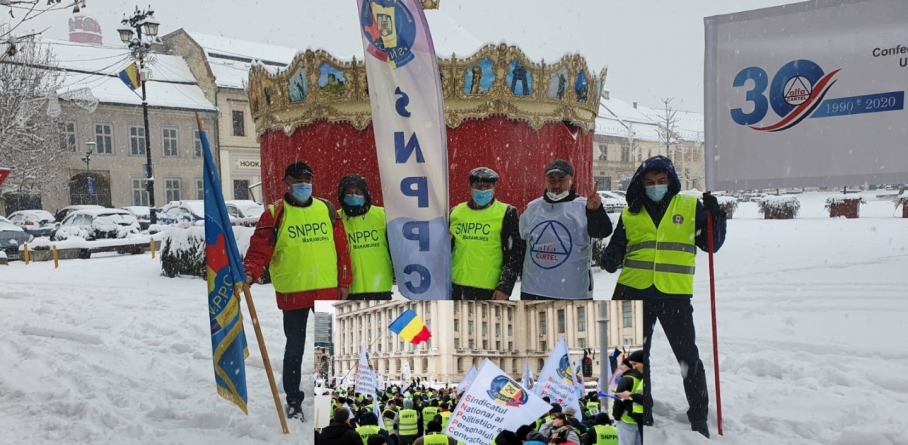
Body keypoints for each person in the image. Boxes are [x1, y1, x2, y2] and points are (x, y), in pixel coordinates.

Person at [599, 156, 726, 438]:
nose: (655, 186)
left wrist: (716, 216)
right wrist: (611, 256)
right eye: (649, 182)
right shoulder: (631, 212)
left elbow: (711, 244)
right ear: (641, 184)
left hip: (673, 294)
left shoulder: (690, 206)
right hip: (633, 290)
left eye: (661, 181)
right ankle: (641, 410)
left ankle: (699, 417)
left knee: (688, 358)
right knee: (635, 358)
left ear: (670, 181)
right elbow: (618, 245)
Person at [244, 161, 352, 418]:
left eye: (307, 179)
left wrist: (344, 281)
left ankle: (329, 396)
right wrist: (250, 272)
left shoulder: (326, 209)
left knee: (328, 348)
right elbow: (259, 250)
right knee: (295, 348)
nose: (303, 184)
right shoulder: (275, 213)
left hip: (326, 291)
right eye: (297, 180)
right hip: (293, 294)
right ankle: (293, 399)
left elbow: (342, 250)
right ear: (287, 183)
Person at [519, 159, 612, 300]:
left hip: (573, 292)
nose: (556, 185)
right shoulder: (533, 209)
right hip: (533, 291)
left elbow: (602, 232)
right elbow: (519, 244)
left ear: (571, 180)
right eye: (552, 180)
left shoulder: (584, 207)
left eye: (561, 180)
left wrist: (596, 212)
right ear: (545, 181)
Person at [450, 167, 524, 300]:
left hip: (490, 290)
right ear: (471, 188)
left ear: (494, 189)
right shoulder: (455, 213)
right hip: (457, 287)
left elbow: (514, 254)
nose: (483, 190)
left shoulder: (506, 213)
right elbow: (447, 249)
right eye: (478, 186)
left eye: (487, 187)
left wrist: (504, 287)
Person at [337, 174, 394, 300]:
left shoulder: (382, 215)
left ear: (365, 194)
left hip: (380, 286)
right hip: (348, 290)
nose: (353, 196)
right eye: (349, 192)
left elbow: (396, 247)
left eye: (358, 192)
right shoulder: (336, 218)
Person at [612, 352, 644, 445]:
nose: (620, 367)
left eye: (622, 364)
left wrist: (616, 416)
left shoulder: (626, 378)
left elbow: (619, 400)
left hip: (626, 418)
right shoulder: (641, 377)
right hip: (638, 418)